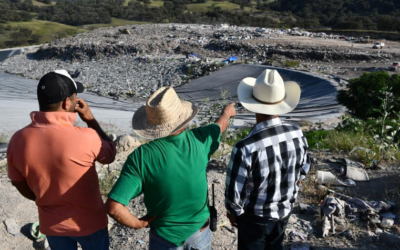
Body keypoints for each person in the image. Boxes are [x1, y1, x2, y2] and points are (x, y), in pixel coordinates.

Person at [105, 86, 236, 250]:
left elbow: (114, 207)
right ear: (182, 116)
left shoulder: (142, 157)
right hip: (200, 232)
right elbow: (219, 126)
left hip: (165, 238)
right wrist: (227, 113)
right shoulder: (201, 139)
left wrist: (138, 223)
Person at [7, 70, 116, 250]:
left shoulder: (18, 139)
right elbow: (109, 155)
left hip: (52, 225)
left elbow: (19, 183)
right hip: (90, 224)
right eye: (75, 97)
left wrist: (43, 198)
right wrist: (90, 120)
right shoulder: (87, 137)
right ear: (67, 102)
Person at [225, 69, 311, 250]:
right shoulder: (296, 132)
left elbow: (235, 193)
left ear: (253, 104)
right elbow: (305, 165)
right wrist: (297, 181)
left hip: (255, 218)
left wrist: (234, 214)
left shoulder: (246, 147)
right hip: (284, 212)